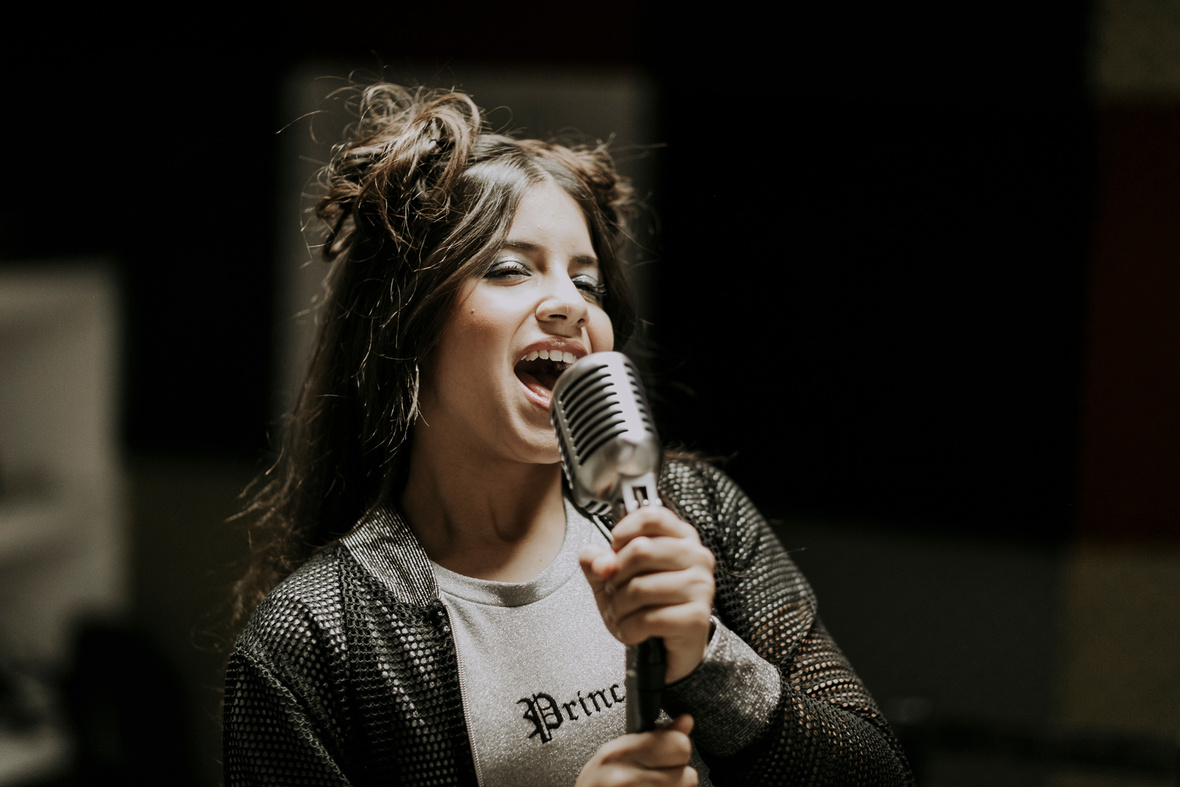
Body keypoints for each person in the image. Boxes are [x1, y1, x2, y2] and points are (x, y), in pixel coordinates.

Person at [222, 82, 913, 786]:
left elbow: (882, 776)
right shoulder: (313, 639)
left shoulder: (696, 509)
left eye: (589, 284)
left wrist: (704, 656)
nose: (570, 305)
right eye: (510, 269)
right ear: (405, 322)